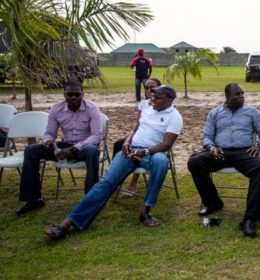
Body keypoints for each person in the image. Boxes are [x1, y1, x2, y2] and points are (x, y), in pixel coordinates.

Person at [44, 85, 183, 240]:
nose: (153, 99)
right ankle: (67, 223)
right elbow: (134, 129)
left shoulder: (175, 116)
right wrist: (126, 142)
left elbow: (166, 144)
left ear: (170, 99)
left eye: (158, 97)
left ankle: (145, 212)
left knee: (161, 162)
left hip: (152, 153)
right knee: (105, 182)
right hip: (130, 151)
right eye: (153, 96)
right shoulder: (147, 108)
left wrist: (145, 152)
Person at [187, 83, 260, 238]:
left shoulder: (252, 112)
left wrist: (258, 147)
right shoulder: (215, 113)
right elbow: (206, 137)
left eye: (242, 94)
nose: (241, 97)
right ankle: (212, 202)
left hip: (244, 152)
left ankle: (250, 218)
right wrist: (212, 148)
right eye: (237, 94)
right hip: (220, 152)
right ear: (227, 96)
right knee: (195, 162)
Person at [17, 81, 102, 216]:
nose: (73, 97)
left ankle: (90, 200)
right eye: (69, 94)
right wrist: (48, 141)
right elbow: (50, 133)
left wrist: (74, 149)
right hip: (65, 145)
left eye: (77, 94)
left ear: (82, 94)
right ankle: (34, 199)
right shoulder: (56, 108)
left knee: (92, 151)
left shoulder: (92, 108)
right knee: (31, 150)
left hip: (85, 146)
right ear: (64, 94)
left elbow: (97, 136)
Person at [112, 77, 161, 197]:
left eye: (152, 87)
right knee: (119, 144)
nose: (149, 90)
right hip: (141, 133)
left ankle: (132, 184)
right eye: (147, 88)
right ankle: (116, 179)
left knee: (139, 147)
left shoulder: (162, 105)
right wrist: (129, 137)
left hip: (154, 139)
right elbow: (137, 124)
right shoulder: (143, 104)